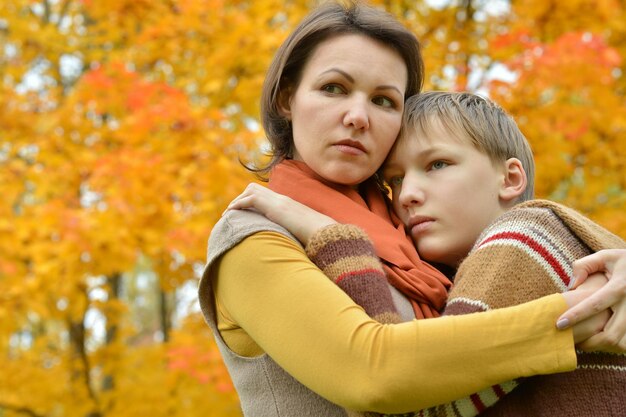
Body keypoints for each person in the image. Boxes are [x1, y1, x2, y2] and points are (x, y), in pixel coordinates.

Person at [199, 2, 624, 416]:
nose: (358, 116)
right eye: (334, 88)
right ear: (287, 99)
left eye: (384, 100)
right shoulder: (252, 235)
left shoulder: (418, 234)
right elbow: (372, 375)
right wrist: (578, 316)